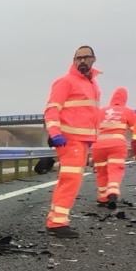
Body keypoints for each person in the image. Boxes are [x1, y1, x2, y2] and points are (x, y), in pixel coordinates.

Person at [42, 46, 102, 238]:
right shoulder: (65, 82)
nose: (82, 61)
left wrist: (92, 137)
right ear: (73, 60)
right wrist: (55, 132)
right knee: (70, 180)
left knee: (70, 180)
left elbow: (89, 114)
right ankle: (57, 222)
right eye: (78, 58)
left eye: (86, 57)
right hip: (69, 140)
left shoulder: (92, 85)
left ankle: (56, 218)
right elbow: (52, 109)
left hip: (82, 140)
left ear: (93, 59)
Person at [92, 87, 136, 209]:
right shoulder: (127, 111)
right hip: (117, 145)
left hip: (98, 145)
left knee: (101, 171)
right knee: (115, 169)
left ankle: (102, 198)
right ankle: (112, 192)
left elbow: (90, 126)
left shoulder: (101, 111)